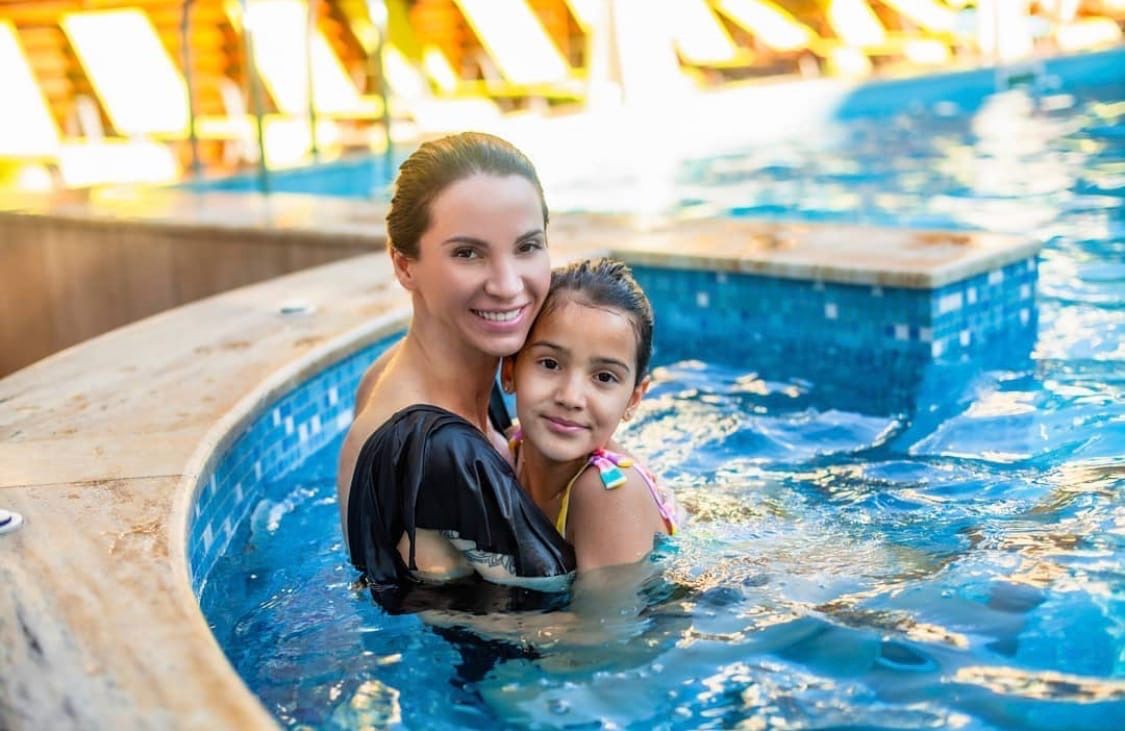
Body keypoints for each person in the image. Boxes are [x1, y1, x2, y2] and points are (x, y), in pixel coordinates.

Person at [337, 132, 575, 613]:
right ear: (404, 265)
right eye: (468, 253)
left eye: (527, 246)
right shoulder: (437, 447)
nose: (507, 285)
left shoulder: (397, 372)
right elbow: (575, 629)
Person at [501, 258, 683, 571]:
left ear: (633, 399)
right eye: (550, 364)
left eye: (604, 377)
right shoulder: (510, 444)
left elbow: (607, 607)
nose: (571, 397)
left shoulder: (609, 494)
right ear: (509, 371)